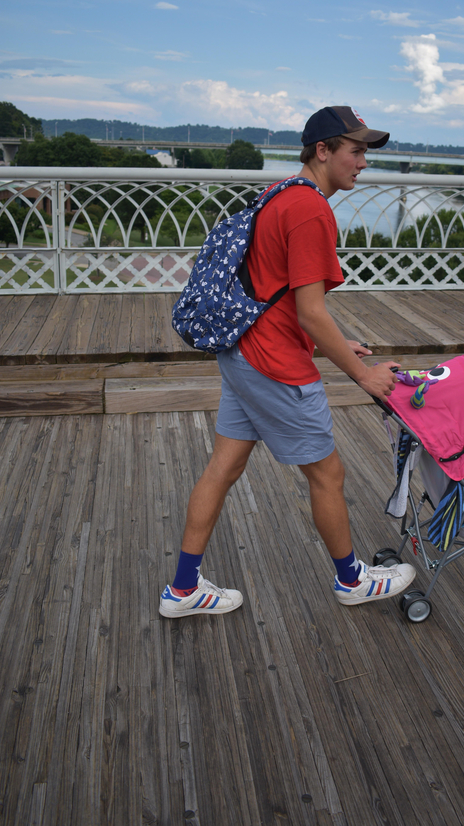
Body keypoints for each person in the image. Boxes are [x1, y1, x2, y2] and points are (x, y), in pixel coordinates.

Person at [159, 106, 416, 618]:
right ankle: (351, 580)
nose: (364, 162)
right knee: (327, 474)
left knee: (223, 467)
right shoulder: (311, 210)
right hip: (275, 365)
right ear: (323, 151)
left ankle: (183, 590)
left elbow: (275, 292)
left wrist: (333, 345)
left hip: (243, 352)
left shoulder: (279, 194)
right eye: (356, 150)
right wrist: (362, 374)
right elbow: (311, 311)